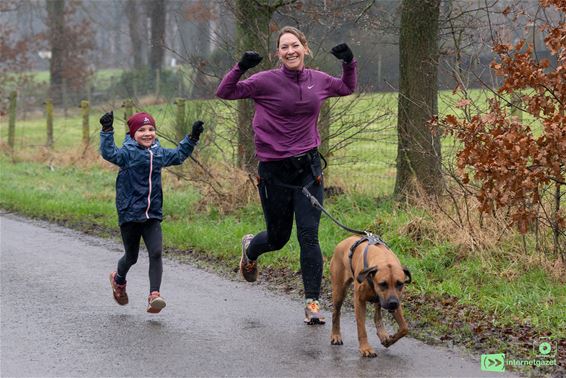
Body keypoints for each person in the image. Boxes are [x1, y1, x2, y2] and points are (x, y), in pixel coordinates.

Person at [216, 26, 357, 324]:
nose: (290, 51)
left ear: (305, 48)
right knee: (279, 238)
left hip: (308, 171)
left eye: (295, 45)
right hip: (274, 173)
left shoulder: (318, 80)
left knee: (308, 236)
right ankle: (251, 249)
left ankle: (312, 303)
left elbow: (346, 88)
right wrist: (240, 67)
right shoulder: (264, 81)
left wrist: (348, 63)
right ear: (277, 53)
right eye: (284, 47)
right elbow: (225, 92)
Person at [99, 110, 204, 313]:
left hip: (152, 213)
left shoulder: (159, 152)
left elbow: (179, 155)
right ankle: (118, 280)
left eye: (151, 129)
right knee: (131, 257)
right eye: (142, 130)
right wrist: (107, 130)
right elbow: (109, 152)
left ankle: (154, 296)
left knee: (156, 252)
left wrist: (192, 137)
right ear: (132, 134)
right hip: (130, 213)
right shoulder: (127, 153)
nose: (147, 133)